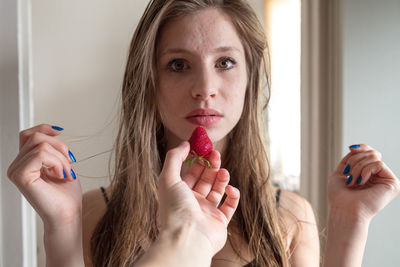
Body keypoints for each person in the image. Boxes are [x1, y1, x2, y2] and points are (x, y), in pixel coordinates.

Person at [6, 0, 400, 266]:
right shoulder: (95, 214)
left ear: (250, 79)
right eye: (179, 65)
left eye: (225, 62)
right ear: (149, 82)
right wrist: (62, 225)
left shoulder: (290, 217)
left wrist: (351, 222)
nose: (205, 88)